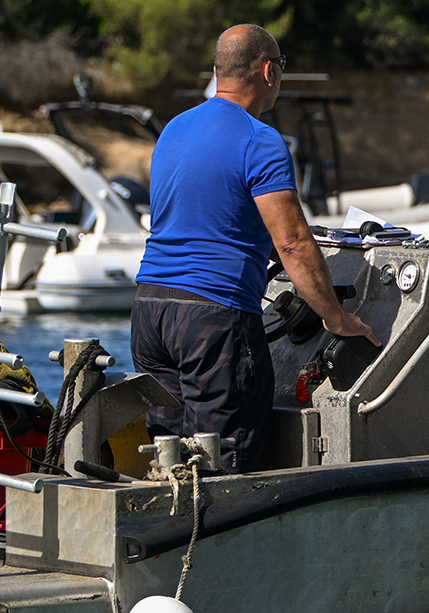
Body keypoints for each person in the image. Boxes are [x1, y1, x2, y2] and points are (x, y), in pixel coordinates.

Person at [131, 25, 379, 470]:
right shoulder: (260, 140)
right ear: (268, 71)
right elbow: (294, 244)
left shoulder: (173, 130)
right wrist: (337, 318)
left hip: (151, 312)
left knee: (169, 463)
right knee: (225, 466)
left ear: (216, 71)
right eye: (281, 66)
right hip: (211, 320)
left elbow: (209, 218)